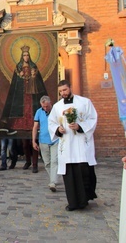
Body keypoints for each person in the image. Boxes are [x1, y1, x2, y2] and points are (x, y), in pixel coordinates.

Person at [48, 80, 97, 211]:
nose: (63, 93)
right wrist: (58, 129)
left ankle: (84, 200)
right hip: (67, 146)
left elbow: (92, 119)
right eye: (60, 91)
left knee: (83, 173)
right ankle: (73, 203)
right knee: (69, 175)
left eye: (65, 90)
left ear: (70, 88)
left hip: (81, 144)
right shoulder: (57, 107)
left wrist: (80, 126)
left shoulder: (84, 102)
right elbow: (51, 123)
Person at [1, 45, 47, 130]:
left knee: (32, 106)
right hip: (21, 90)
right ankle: (20, 125)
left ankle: (33, 124)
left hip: (32, 90)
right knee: (21, 107)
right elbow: (15, 82)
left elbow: (38, 80)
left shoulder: (33, 66)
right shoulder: (18, 67)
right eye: (24, 55)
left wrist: (34, 76)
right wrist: (20, 76)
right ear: (22, 57)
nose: (26, 57)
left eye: (27, 55)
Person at [32, 95, 59, 192]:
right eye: (43, 106)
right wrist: (33, 140)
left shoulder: (56, 111)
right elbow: (35, 127)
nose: (45, 108)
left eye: (47, 106)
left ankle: (53, 182)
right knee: (47, 162)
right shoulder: (39, 112)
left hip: (55, 139)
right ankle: (53, 177)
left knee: (54, 161)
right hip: (43, 140)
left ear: (50, 103)